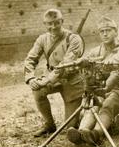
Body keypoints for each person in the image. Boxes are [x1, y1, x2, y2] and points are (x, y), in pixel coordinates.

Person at [24, 8, 84, 137]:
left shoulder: (74, 39)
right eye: (49, 24)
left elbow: (64, 66)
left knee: (71, 128)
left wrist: (46, 80)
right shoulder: (42, 39)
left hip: (72, 81)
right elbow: (30, 59)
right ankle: (49, 125)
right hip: (52, 78)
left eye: (57, 22)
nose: (53, 27)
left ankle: (81, 115)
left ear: (62, 21)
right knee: (38, 91)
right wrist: (31, 79)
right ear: (44, 24)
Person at [66, 16, 119, 144]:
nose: (105, 34)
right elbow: (86, 67)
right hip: (100, 89)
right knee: (93, 106)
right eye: (102, 31)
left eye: (108, 30)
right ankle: (82, 132)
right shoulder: (95, 51)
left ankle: (96, 134)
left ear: (116, 31)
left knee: (107, 106)